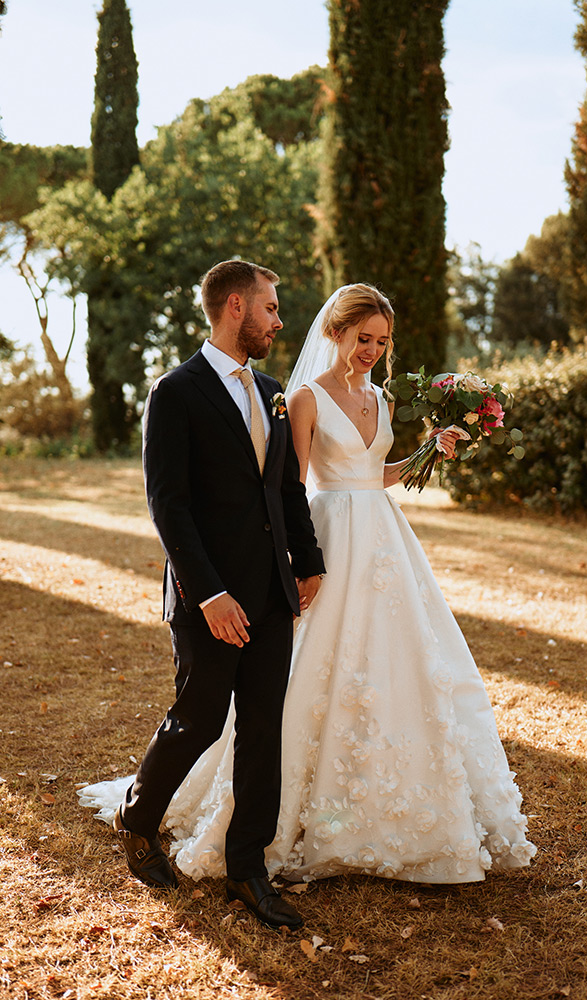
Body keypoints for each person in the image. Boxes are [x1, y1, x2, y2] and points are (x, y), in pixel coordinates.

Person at [80, 283, 535, 891]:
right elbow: (225, 493)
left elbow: (358, 476)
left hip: (374, 542)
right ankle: (145, 817)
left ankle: (253, 860)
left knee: (325, 690)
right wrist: (281, 566)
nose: (372, 349)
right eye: (363, 337)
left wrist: (429, 449)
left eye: (382, 341)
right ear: (337, 333)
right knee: (214, 709)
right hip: (293, 550)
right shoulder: (255, 394)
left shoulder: (325, 395)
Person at [103, 259, 326, 930]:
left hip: (270, 592)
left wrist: (308, 562)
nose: (279, 320)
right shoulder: (176, 391)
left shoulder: (272, 390)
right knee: (198, 718)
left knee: (263, 730)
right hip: (211, 598)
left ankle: (247, 870)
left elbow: (285, 487)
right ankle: (140, 819)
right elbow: (168, 506)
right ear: (235, 307)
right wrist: (209, 595)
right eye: (270, 307)